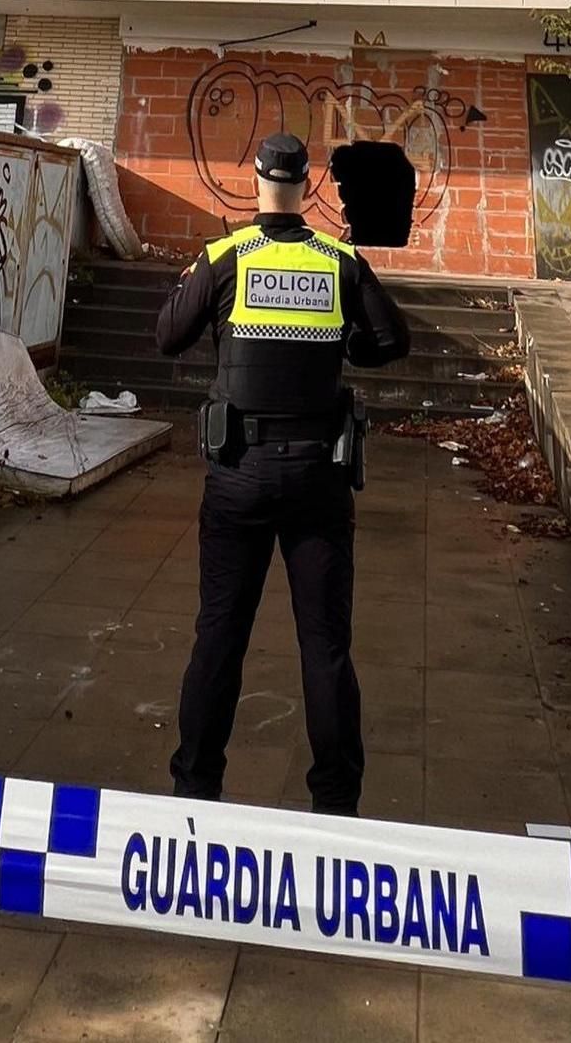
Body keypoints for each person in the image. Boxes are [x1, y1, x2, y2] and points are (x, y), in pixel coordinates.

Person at [156, 132, 411, 816]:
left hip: (237, 474)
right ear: (308, 185)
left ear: (256, 181)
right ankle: (335, 798)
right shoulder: (339, 261)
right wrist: (348, 344)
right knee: (325, 645)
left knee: (219, 633)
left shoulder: (224, 258)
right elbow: (392, 339)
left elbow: (166, 335)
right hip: (317, 480)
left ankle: (196, 783)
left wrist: (205, 303)